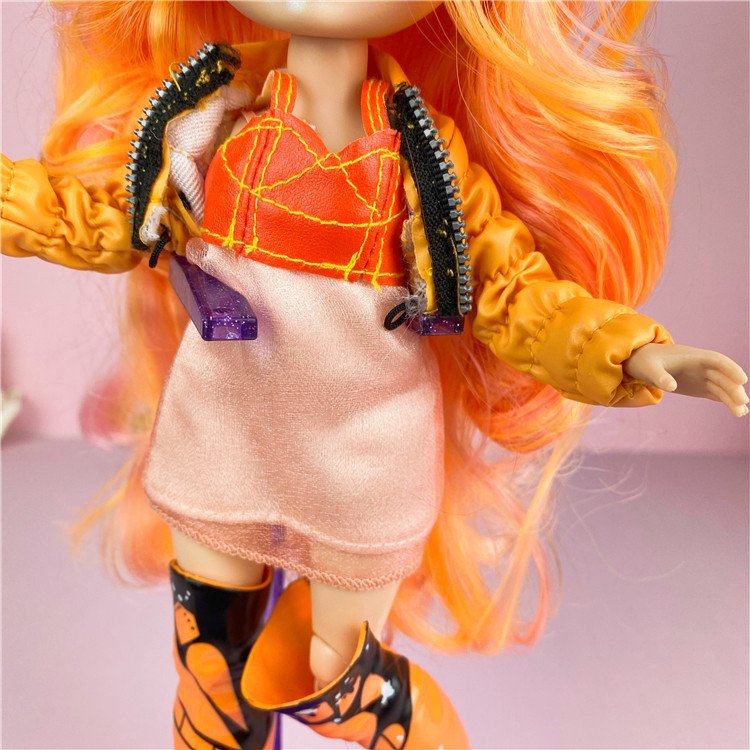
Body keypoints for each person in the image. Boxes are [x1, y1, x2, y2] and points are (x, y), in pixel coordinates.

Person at [1, 2, 747, 748]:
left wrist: (625, 352)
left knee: (335, 672)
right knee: (211, 671)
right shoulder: (209, 114)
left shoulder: (423, 152)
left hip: (362, 456)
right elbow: (105, 218)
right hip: (224, 426)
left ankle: (417, 725)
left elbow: (511, 288)